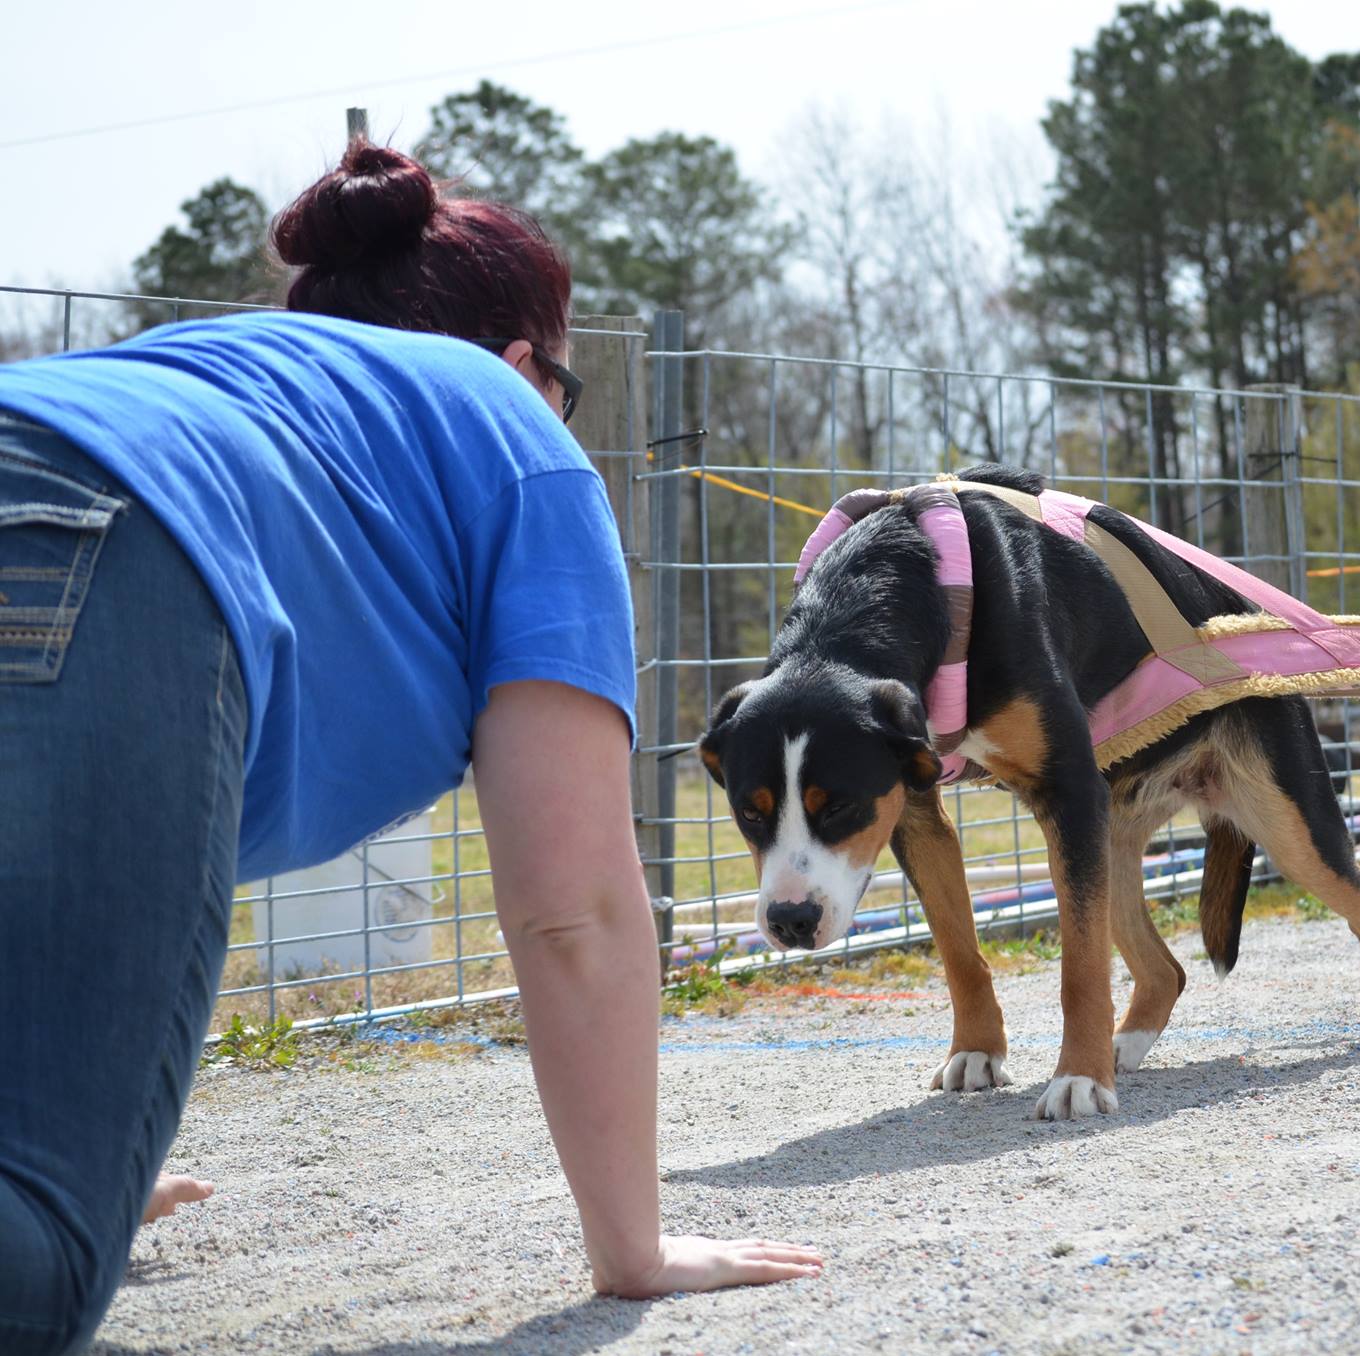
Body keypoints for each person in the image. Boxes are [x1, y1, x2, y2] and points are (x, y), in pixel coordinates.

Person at [0, 140, 821, 1355]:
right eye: (570, 391)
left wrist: (95, 1125)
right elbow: (572, 908)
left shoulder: (222, 377)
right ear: (523, 362)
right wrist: (632, 1249)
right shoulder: (512, 432)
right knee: (38, 1275)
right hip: (104, 548)